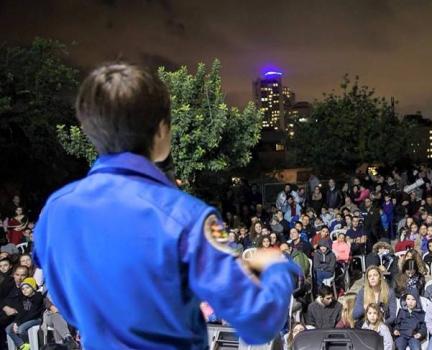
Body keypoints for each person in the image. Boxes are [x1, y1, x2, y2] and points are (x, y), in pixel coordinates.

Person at [33, 63, 298, 347]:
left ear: (88, 129)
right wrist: (278, 268)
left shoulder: (56, 211)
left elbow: (66, 301)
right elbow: (257, 322)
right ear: (161, 131)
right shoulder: (188, 217)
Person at [6, 277, 44, 350]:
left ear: (33, 287)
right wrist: (16, 323)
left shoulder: (38, 297)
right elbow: (21, 312)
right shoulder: (23, 298)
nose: (25, 290)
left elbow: (33, 313)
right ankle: (22, 345)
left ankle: (28, 343)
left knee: (21, 329)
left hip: (36, 319)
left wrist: (19, 323)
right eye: (23, 289)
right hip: (25, 319)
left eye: (27, 288)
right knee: (8, 329)